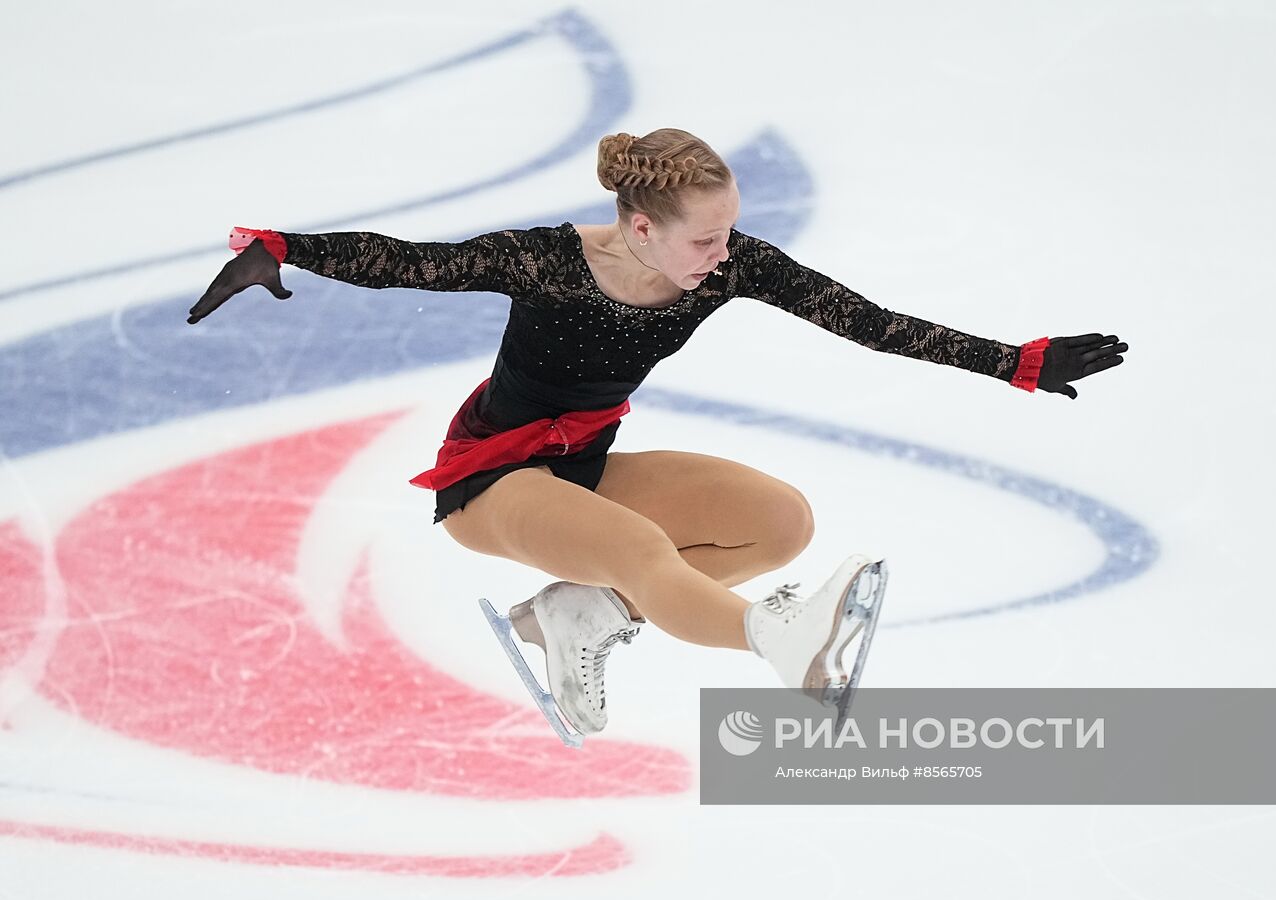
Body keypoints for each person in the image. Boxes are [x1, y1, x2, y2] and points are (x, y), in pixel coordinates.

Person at [187, 128, 1128, 746]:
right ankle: (777, 645)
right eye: (705, 240)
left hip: (583, 468)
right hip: (495, 480)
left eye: (730, 233)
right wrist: (284, 247)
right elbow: (411, 265)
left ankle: (581, 616)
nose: (726, 255)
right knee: (642, 552)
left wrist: (1013, 361)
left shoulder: (727, 268)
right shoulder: (547, 262)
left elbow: (866, 321)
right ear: (638, 228)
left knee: (778, 522)